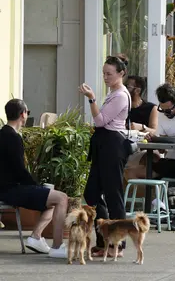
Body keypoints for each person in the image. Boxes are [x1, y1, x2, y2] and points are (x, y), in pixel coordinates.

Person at [129, 84, 175, 231]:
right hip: (171, 160)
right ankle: (159, 206)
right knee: (139, 165)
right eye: (163, 110)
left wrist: (163, 138)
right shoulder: (163, 115)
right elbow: (163, 147)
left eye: (169, 110)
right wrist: (154, 139)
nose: (166, 113)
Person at [0, 99, 68, 258]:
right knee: (62, 198)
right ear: (23, 114)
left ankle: (36, 237)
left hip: (6, 188)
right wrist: (36, 185)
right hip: (11, 189)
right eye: (27, 112)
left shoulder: (2, 134)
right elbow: (19, 170)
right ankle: (57, 247)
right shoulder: (13, 138)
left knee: (52, 200)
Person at [79, 55, 131, 257]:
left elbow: (100, 121)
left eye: (109, 74)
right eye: (104, 73)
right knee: (92, 193)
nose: (105, 77)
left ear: (121, 73)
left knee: (113, 194)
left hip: (112, 145)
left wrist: (91, 98)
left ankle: (118, 245)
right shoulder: (113, 93)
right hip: (103, 144)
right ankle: (104, 239)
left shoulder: (120, 95)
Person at [124, 75, 160, 179]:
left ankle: (151, 192)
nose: (125, 89)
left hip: (144, 148)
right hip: (126, 148)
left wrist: (141, 127)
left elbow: (154, 130)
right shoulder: (122, 107)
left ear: (137, 90)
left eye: (128, 86)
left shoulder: (150, 108)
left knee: (154, 158)